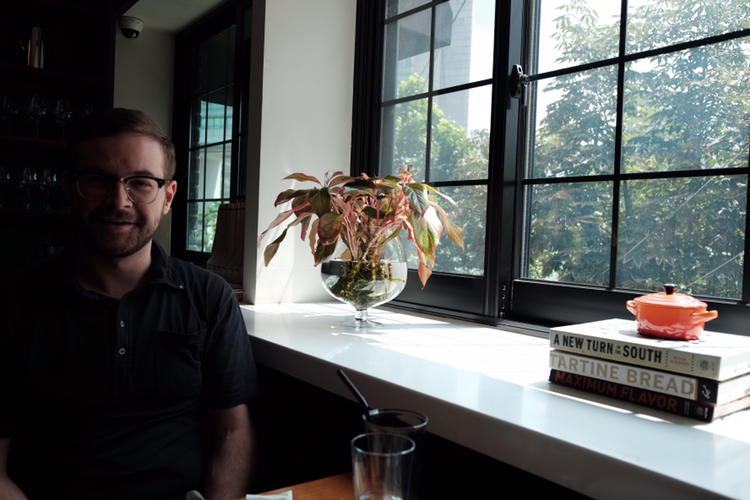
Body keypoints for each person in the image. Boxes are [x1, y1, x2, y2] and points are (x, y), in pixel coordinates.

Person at [0, 108, 259, 500]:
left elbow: (233, 433)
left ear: (168, 196)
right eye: (97, 180)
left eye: (140, 183)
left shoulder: (209, 296)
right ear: (70, 187)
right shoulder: (13, 300)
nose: (118, 201)